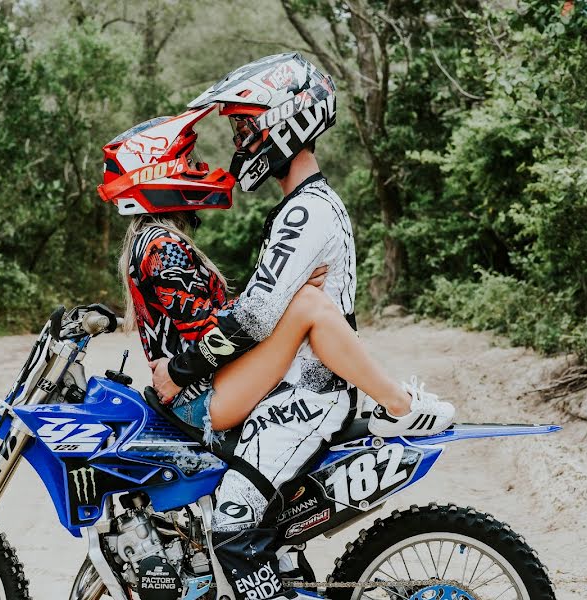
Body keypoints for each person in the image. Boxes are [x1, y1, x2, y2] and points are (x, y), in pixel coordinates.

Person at [100, 54, 454, 600]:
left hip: (302, 395)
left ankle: (402, 404)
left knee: (233, 527)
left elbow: (255, 317)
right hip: (280, 390)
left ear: (282, 121)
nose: (240, 144)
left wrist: (182, 367)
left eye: (245, 127)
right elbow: (251, 314)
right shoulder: (302, 210)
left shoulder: (303, 214)